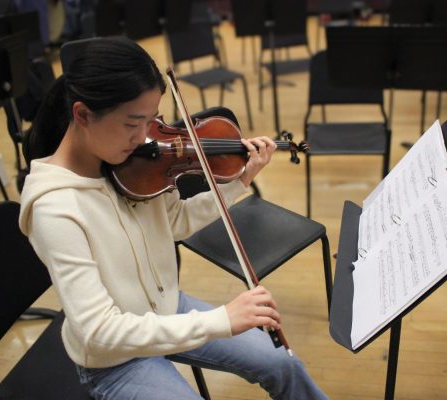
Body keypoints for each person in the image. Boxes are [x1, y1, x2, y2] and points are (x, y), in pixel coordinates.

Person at [18, 36, 328, 400]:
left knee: (284, 363)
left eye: (151, 121)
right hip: (117, 358)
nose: (144, 140)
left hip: (168, 308)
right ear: (83, 115)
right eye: (133, 124)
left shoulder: (126, 167)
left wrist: (239, 181)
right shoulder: (54, 208)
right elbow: (99, 331)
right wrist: (221, 320)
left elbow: (176, 221)